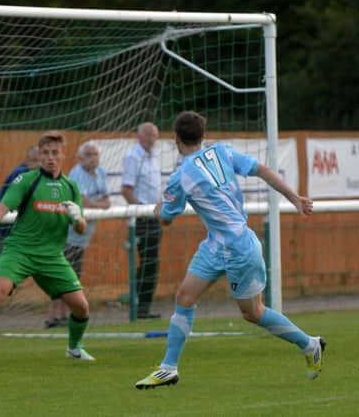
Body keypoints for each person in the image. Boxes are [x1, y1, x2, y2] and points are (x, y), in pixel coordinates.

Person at [135, 111, 325, 389]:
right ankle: (168, 368)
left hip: (238, 247)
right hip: (216, 244)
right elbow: (264, 170)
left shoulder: (181, 176)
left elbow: (164, 218)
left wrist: (157, 207)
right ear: (203, 135)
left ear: (175, 138)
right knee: (185, 297)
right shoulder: (221, 151)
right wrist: (295, 198)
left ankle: (309, 344)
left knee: (253, 313)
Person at [0, 131, 96, 362]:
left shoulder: (71, 187)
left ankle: (74, 349)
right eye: (45, 153)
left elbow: (81, 228)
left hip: (51, 257)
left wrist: (78, 217)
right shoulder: (26, 180)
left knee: (81, 307)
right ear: (40, 156)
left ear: (63, 155)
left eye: (55, 153)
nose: (50, 157)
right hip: (19, 252)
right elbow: (2, 206)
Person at [45, 142, 111, 328]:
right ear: (80, 157)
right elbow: (82, 201)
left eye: (95, 154)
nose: (93, 158)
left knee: (74, 274)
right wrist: (95, 204)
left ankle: (63, 315)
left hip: (83, 237)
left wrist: (94, 204)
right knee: (63, 275)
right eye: (89, 154)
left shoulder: (102, 173)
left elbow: (107, 202)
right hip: (68, 235)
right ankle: (53, 316)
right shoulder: (76, 173)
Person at [0, 145, 40, 295]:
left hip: (11, 233)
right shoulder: (21, 175)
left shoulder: (36, 177)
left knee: (4, 277)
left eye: (41, 161)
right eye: (36, 160)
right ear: (28, 160)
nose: (39, 164)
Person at [121, 122, 163, 319]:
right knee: (146, 262)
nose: (153, 138)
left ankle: (145, 307)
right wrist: (142, 210)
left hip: (154, 216)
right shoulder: (133, 157)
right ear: (140, 136)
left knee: (152, 262)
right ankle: (139, 307)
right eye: (149, 134)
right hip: (143, 217)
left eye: (155, 135)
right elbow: (126, 189)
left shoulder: (153, 157)